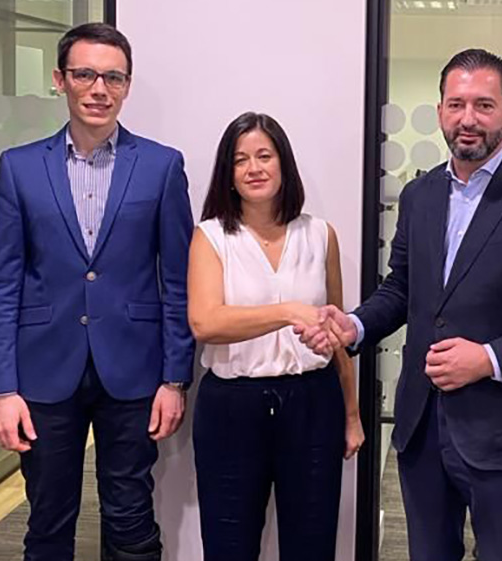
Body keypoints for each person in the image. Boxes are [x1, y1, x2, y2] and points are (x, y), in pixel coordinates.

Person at [299, 49, 502, 561]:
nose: (468, 118)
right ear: (440, 110)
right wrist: (354, 325)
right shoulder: (419, 196)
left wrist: (488, 358)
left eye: (484, 105)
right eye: (456, 104)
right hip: (422, 427)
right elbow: (402, 288)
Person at [0, 22, 194, 561]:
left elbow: (177, 281)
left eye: (112, 78)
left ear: (126, 86)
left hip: (135, 369)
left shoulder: (162, 166)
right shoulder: (19, 167)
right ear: (61, 80)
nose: (99, 89)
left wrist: (175, 378)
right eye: (85, 75)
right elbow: (3, 285)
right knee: (48, 519)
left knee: (130, 517)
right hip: (43, 370)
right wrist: (3, 390)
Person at [187, 112, 364, 561]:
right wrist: (287, 312)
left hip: (313, 402)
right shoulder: (211, 236)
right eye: (240, 159)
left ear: (283, 163)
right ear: (228, 174)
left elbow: (336, 333)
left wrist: (352, 414)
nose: (254, 168)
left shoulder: (320, 234)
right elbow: (206, 323)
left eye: (264, 156)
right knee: (229, 547)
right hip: (232, 407)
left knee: (312, 545)